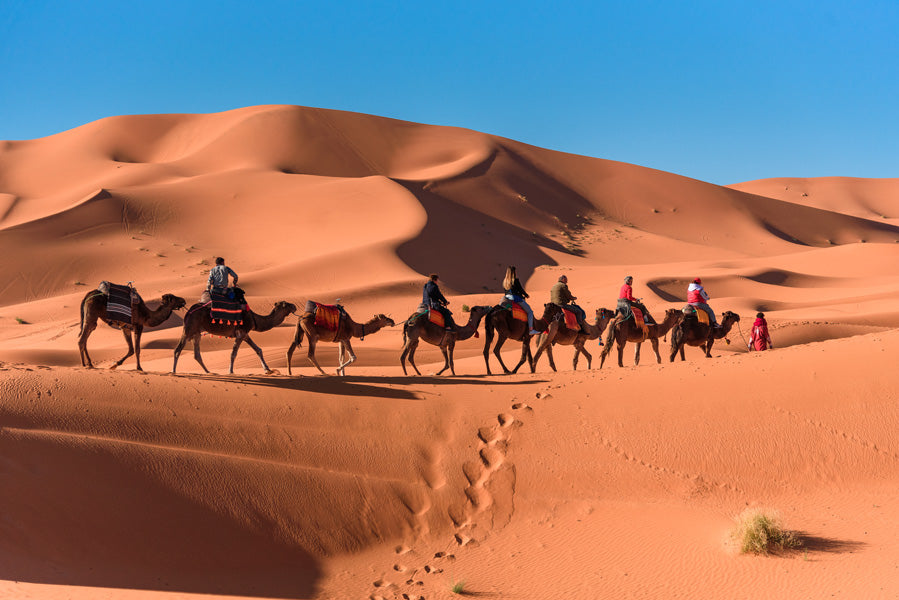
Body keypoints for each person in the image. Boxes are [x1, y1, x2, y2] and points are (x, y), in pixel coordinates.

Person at [502, 266, 538, 335]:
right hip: (515, 298)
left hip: (506, 298)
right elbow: (520, 289)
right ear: (513, 272)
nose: (516, 272)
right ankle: (531, 330)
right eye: (515, 271)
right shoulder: (515, 280)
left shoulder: (505, 281)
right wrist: (526, 295)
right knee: (530, 312)